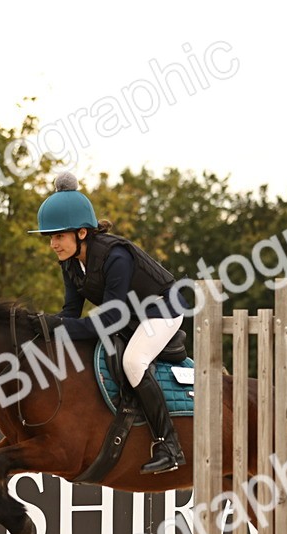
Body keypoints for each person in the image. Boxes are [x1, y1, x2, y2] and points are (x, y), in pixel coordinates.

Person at [30, 173, 186, 474]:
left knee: (134, 362)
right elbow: (70, 313)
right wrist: (41, 329)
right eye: (51, 237)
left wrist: (55, 327)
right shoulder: (70, 263)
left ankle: (170, 446)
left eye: (58, 236)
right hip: (131, 314)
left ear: (82, 233)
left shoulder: (116, 257)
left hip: (163, 309)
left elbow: (111, 318)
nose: (53, 244)